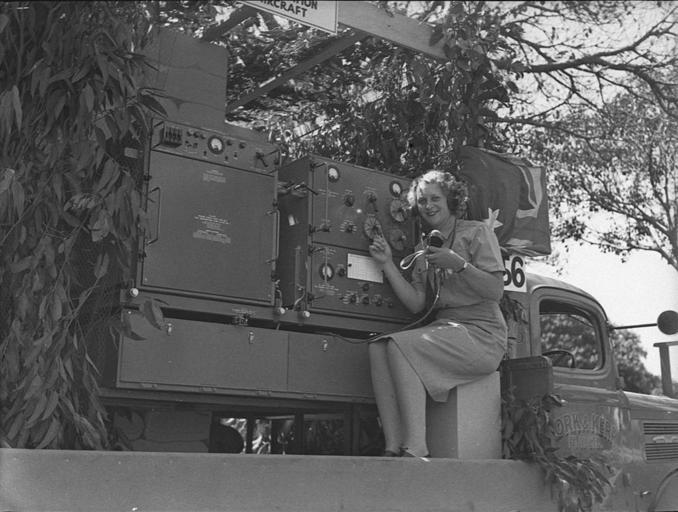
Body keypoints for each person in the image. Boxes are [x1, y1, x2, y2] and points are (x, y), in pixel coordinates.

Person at [368, 169, 507, 458]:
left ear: (451, 200)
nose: (428, 206)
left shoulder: (477, 232)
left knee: (399, 346)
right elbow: (417, 304)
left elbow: (495, 290)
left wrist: (458, 264)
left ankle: (416, 446)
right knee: (378, 347)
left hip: (482, 334)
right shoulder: (423, 248)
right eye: (422, 201)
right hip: (447, 330)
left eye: (435, 199)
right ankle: (393, 446)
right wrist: (387, 264)